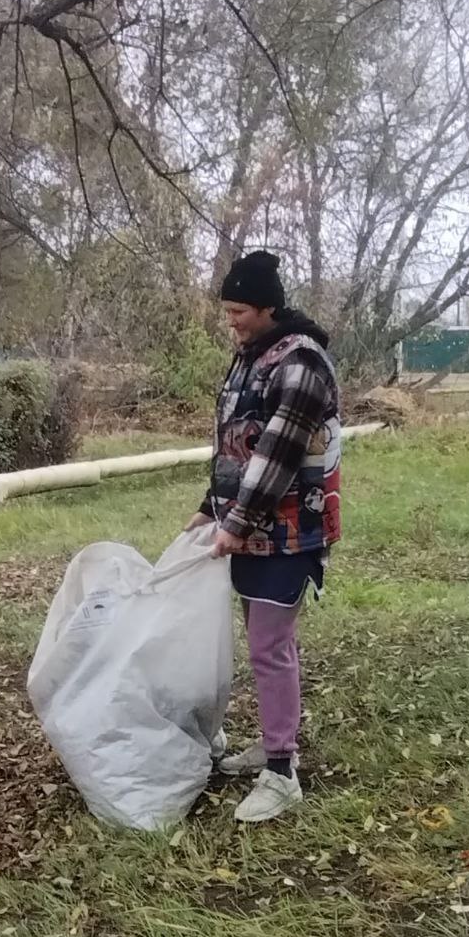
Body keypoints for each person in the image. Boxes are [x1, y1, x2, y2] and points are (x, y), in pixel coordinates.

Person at [189, 250, 341, 823]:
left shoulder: (300, 363)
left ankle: (282, 772)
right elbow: (237, 445)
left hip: (289, 532)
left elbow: (277, 455)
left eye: (239, 310)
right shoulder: (250, 358)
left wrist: (237, 522)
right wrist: (211, 507)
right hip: (250, 530)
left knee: (268, 647)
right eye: (227, 310)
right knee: (267, 644)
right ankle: (275, 741)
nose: (231, 320)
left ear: (268, 306)